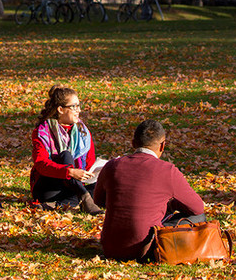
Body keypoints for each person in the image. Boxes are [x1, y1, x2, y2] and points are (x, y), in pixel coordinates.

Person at [93, 120, 206, 262]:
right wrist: (171, 206)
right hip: (146, 248)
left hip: (110, 247)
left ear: (133, 143)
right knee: (199, 218)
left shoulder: (112, 166)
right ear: (163, 145)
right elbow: (197, 208)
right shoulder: (167, 171)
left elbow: (98, 200)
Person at [30, 86, 103, 214]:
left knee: (104, 188)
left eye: (79, 106)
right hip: (50, 186)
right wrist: (69, 172)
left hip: (75, 186)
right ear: (60, 109)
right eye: (74, 106)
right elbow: (41, 164)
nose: (78, 110)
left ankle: (56, 205)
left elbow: (89, 162)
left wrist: (91, 174)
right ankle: (85, 197)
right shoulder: (42, 132)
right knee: (66, 155)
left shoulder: (83, 132)